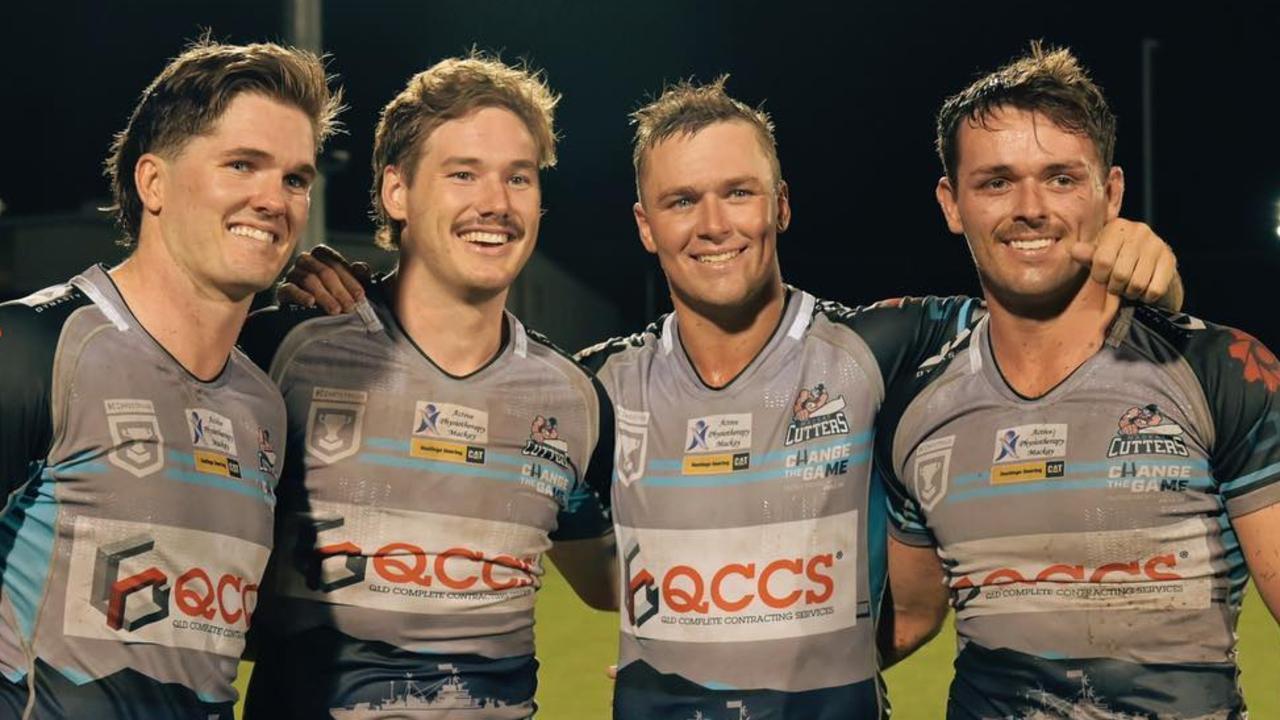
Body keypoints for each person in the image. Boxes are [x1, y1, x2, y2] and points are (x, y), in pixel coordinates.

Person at [285, 77, 1180, 719]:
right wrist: (365, 294)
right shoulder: (589, 387)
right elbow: (592, 572)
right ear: (646, 225)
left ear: (781, 205)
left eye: (738, 193)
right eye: (682, 201)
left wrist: (1137, 261)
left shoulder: (887, 349)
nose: (713, 225)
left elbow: (1039, 306)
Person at [880, 43, 1280, 719]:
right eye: (996, 182)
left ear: (1111, 193)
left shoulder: (1222, 370)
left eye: (1061, 178)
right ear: (952, 203)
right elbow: (910, 618)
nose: (1030, 207)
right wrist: (709, 656)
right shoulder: (916, 402)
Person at [238, 54, 616, 720]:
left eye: (518, 177)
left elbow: (610, 582)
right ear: (396, 192)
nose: (495, 204)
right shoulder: (284, 353)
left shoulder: (573, 397)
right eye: (463, 173)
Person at [0, 40, 341, 719]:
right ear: (152, 182)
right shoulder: (37, 348)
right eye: (241, 164)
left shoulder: (262, 406)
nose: (272, 199)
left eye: (295, 179)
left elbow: (208, 635)